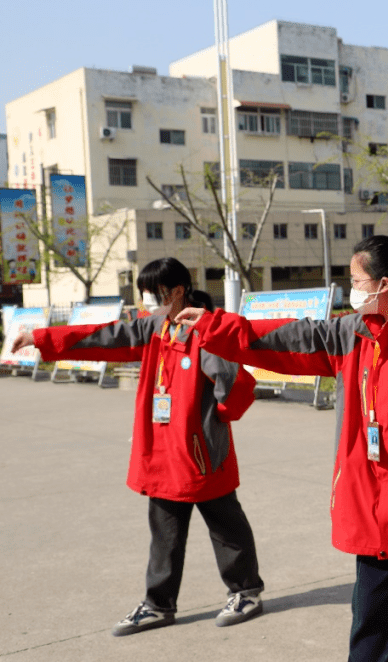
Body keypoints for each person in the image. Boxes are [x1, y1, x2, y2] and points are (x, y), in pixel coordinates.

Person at [175, 237, 388, 662]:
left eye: (356, 280)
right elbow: (287, 338)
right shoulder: (350, 332)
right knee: (370, 624)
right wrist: (216, 325)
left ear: (383, 285)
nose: (351, 289)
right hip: (375, 507)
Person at [12, 258, 263, 636]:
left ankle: (246, 592)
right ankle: (158, 605)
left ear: (178, 291)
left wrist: (213, 423)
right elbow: (103, 336)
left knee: (226, 525)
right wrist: (41, 338)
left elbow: (237, 385)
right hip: (162, 452)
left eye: (153, 292)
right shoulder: (153, 327)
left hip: (201, 454)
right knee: (164, 533)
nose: (147, 299)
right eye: (144, 292)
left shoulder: (206, 331)